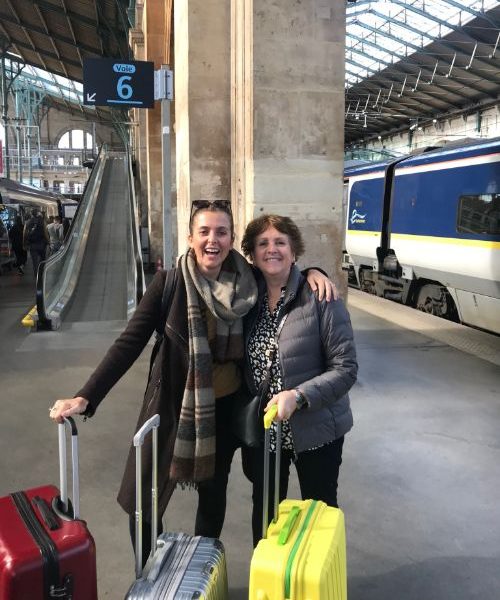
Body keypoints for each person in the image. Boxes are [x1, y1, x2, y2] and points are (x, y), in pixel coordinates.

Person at [48, 200, 336, 565]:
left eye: (221, 232)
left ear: (232, 239)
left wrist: (314, 271)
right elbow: (129, 343)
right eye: (204, 232)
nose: (212, 240)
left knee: (213, 499)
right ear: (190, 237)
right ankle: (150, 575)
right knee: (143, 498)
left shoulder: (249, 281)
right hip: (176, 406)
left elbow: (284, 269)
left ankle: (203, 571)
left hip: (232, 410)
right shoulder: (169, 284)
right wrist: (85, 396)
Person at [239, 214, 358, 546]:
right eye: (263, 243)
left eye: (280, 242)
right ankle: (269, 586)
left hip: (317, 428)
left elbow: (346, 368)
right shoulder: (248, 299)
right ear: (252, 253)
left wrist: (300, 396)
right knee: (265, 513)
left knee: (319, 514)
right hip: (267, 432)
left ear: (294, 251)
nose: (271, 249)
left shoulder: (320, 297)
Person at [23, 209, 49, 277]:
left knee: (35, 262)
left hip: (32, 244)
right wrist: (49, 242)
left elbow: (24, 234)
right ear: (37, 214)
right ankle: (42, 273)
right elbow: (45, 233)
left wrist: (24, 244)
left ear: (31, 215)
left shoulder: (27, 222)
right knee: (43, 259)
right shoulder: (42, 221)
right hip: (42, 244)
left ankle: (37, 275)